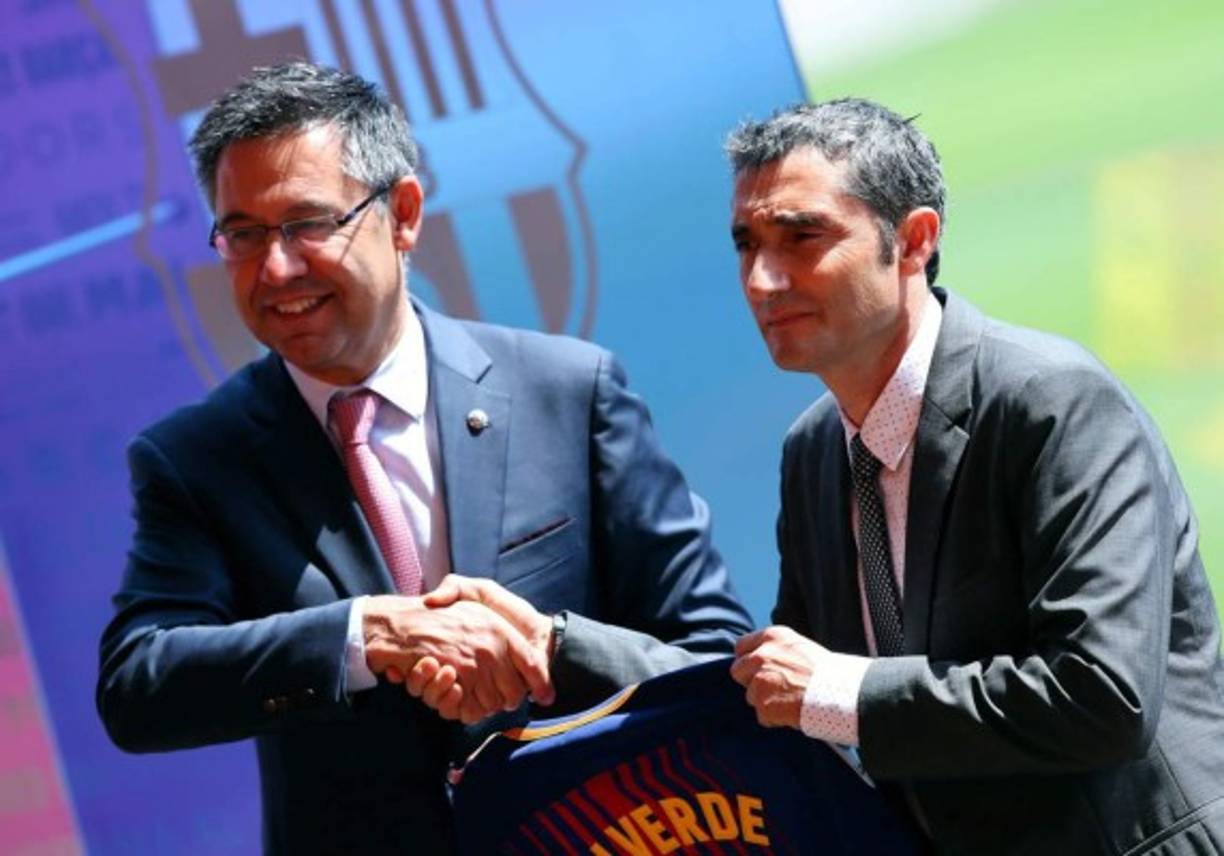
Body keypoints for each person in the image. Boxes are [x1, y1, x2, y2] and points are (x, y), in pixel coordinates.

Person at [96, 61, 752, 855]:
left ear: (403, 214)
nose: (276, 268)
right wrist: (366, 635)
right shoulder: (199, 459)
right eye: (243, 235)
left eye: (307, 224)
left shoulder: (567, 393)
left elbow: (714, 656)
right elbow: (140, 683)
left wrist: (549, 648)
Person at [725, 99, 1224, 854]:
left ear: (914, 240)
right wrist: (567, 649)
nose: (763, 280)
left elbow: (1102, 696)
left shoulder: (1053, 400)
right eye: (747, 245)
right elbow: (782, 682)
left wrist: (842, 692)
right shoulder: (813, 450)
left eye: (802, 237)